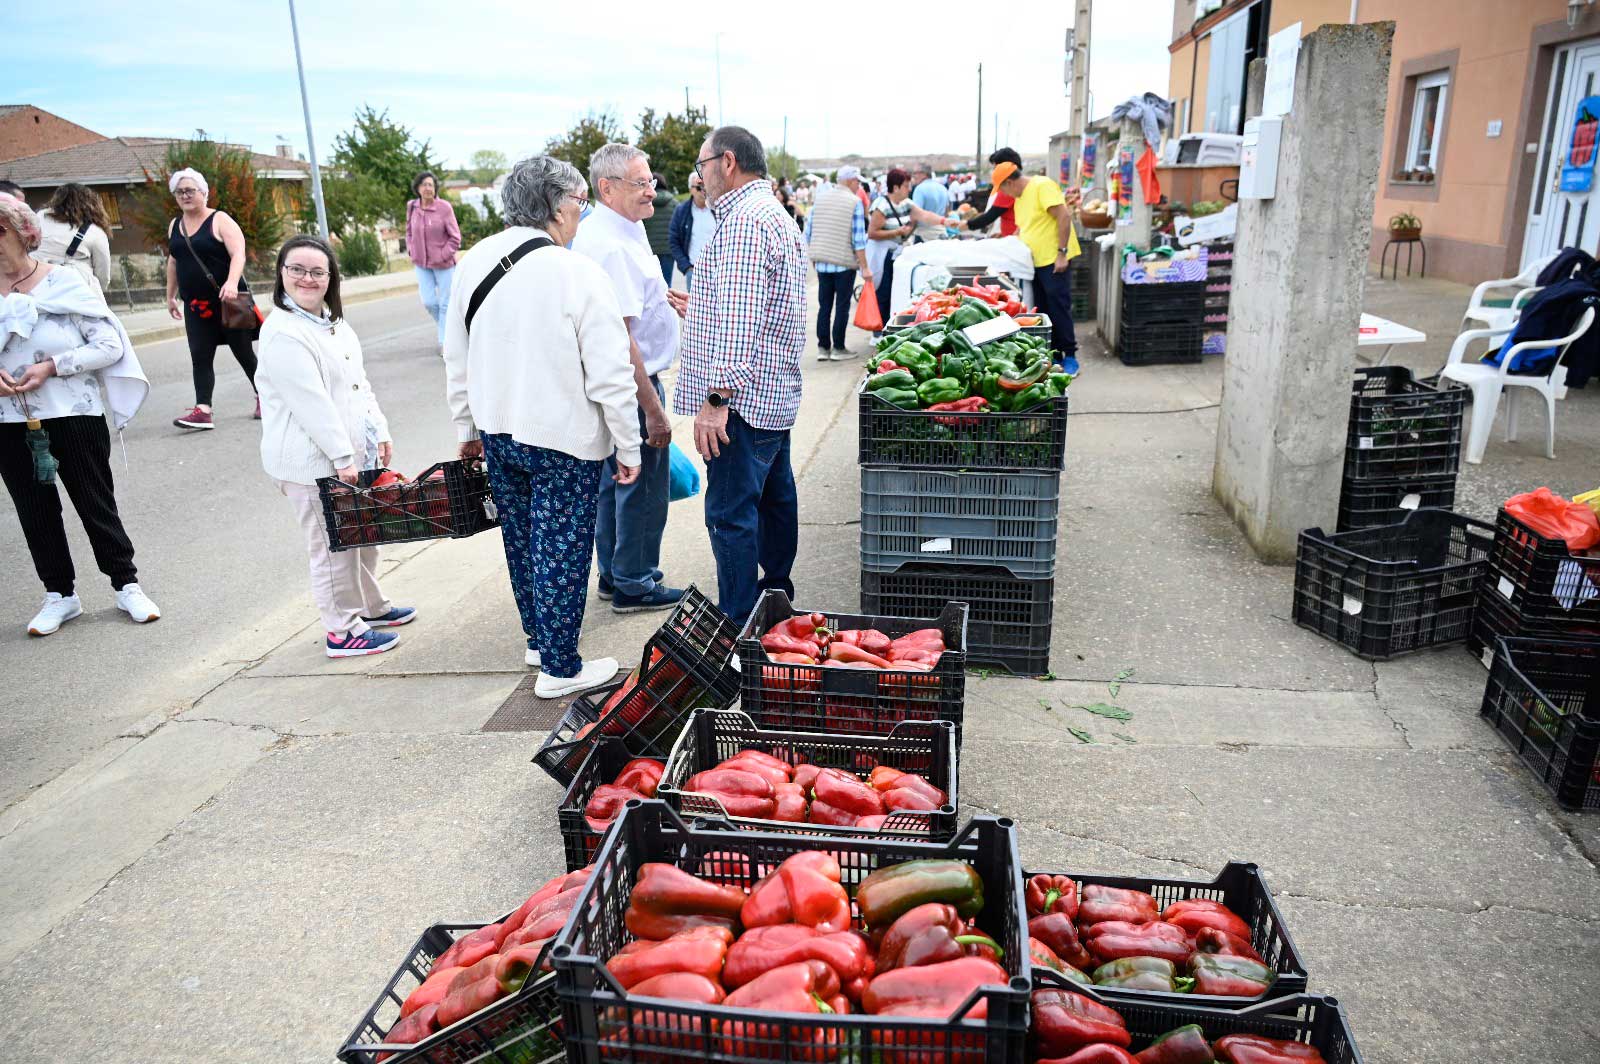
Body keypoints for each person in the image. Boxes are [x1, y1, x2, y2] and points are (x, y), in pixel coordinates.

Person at [443, 155, 642, 697]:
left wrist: (465, 425)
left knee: (523, 539)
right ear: (557, 206)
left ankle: (538, 637)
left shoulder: (477, 260)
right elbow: (610, 374)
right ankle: (559, 667)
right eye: (579, 201)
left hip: (496, 427)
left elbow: (455, 353)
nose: (581, 212)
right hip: (562, 436)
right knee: (562, 546)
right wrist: (629, 443)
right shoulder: (576, 272)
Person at [0, 192, 158, 636]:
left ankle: (127, 585)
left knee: (94, 501)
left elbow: (109, 346)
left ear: (24, 232)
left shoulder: (65, 282)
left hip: (74, 412)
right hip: (10, 422)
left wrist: (53, 366)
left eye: (0, 230)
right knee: (34, 510)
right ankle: (60, 596)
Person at [255, 235, 414, 658]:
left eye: (317, 271)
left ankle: (369, 607)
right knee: (331, 548)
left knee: (362, 537)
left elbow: (359, 386)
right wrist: (343, 457)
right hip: (311, 463)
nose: (307, 278)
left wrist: (379, 430)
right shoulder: (283, 333)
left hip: (348, 456)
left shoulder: (333, 324)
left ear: (331, 278)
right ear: (281, 274)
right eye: (297, 269)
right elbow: (312, 405)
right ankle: (341, 631)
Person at [672, 126, 806, 626]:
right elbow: (759, 305)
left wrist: (715, 398)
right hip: (772, 393)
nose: (699, 176)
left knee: (731, 516)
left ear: (727, 162)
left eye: (702, 165)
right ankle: (776, 607)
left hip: (742, 403)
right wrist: (704, 306)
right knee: (774, 504)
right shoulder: (771, 214)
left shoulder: (744, 222)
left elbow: (746, 314)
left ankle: (739, 624)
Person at [573, 144, 682, 614]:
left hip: (627, 381)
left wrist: (664, 298)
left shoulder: (623, 228)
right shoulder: (610, 244)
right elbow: (623, 339)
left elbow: (637, 298)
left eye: (651, 180)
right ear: (607, 188)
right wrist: (654, 412)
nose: (651, 190)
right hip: (635, 385)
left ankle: (617, 572)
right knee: (640, 484)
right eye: (641, 183)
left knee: (616, 481)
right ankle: (634, 582)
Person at [164, 167, 258, 431]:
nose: (185, 195)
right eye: (180, 192)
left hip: (229, 301)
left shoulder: (220, 220)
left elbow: (238, 254)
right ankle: (203, 410)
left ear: (204, 193)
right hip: (196, 305)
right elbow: (173, 261)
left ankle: (265, 397)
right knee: (200, 355)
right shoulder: (175, 225)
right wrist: (170, 296)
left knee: (244, 354)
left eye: (190, 190)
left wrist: (230, 282)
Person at [991, 160, 1081, 357]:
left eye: (1003, 189)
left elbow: (1063, 216)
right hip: (1035, 263)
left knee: (1059, 308)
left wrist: (1061, 253)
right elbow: (1025, 227)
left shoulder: (1041, 186)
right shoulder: (1020, 197)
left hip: (1053, 259)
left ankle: (1070, 354)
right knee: (1044, 310)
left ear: (1009, 183)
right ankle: (1054, 353)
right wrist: (1009, 238)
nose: (1004, 195)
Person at [867, 168, 952, 330]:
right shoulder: (881, 205)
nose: (909, 189)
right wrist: (897, 232)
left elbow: (924, 215)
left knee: (894, 290)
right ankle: (878, 330)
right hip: (883, 254)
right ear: (896, 187)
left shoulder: (906, 203)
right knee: (883, 292)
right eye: (906, 186)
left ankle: (890, 325)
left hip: (897, 253)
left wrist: (944, 221)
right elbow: (872, 233)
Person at [804, 164, 872, 360]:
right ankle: (838, 348)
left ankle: (823, 348)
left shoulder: (821, 199)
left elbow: (809, 232)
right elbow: (858, 239)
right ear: (851, 181)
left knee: (824, 306)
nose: (858, 185)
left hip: (823, 262)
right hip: (843, 264)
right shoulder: (855, 202)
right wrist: (865, 267)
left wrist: (814, 256)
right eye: (857, 181)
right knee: (841, 306)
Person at [405, 171, 461, 354]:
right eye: (424, 185)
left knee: (446, 304)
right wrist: (411, 249)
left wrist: (442, 255)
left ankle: (445, 342)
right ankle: (452, 329)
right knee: (429, 302)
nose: (427, 188)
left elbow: (455, 238)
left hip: (444, 264)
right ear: (418, 188)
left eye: (431, 184)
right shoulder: (412, 207)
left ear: (435, 188)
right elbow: (409, 231)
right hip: (422, 264)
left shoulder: (444, 207)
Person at [35, 183, 111, 293]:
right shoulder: (95, 232)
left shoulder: (39, 218)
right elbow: (102, 273)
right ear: (91, 204)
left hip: (38, 287)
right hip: (77, 291)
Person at [955, 148, 1024, 237]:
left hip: (1010, 239)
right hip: (1005, 235)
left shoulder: (1010, 188)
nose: (994, 171)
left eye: (995, 168)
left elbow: (991, 215)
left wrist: (968, 224)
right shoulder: (1005, 186)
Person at [668, 171, 716, 289]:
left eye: (705, 186)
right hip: (694, 271)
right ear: (691, 189)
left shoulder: (717, 208)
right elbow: (673, 240)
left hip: (717, 270)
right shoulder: (681, 211)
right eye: (699, 187)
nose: (703, 190)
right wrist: (686, 266)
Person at [642, 172, 677, 285]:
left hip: (650, 249)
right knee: (667, 284)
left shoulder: (645, 203)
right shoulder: (674, 203)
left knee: (652, 284)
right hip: (668, 248)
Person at [911, 164, 950, 241]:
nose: (914, 175)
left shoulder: (919, 189)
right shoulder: (943, 188)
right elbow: (947, 212)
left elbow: (916, 214)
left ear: (924, 174)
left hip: (924, 235)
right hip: (941, 232)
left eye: (915, 173)